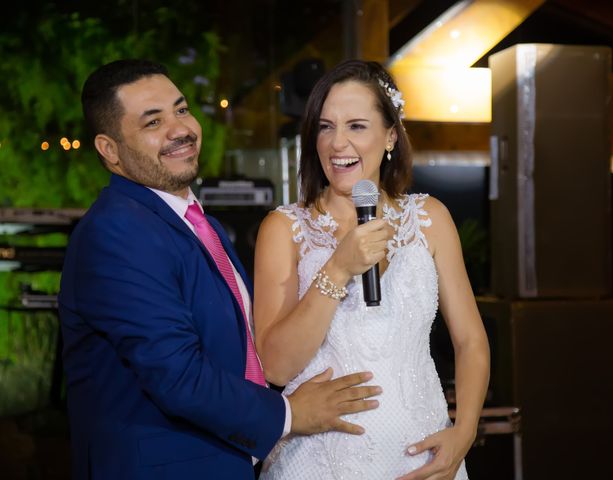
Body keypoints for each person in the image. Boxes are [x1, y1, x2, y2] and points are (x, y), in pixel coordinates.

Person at [57, 59, 383, 480]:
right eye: (153, 122)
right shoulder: (116, 231)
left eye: (181, 109)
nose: (180, 129)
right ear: (110, 150)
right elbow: (177, 374)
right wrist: (290, 414)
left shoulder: (196, 222)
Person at [253, 59, 490, 480]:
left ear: (390, 136)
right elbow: (275, 366)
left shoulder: (430, 218)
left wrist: (463, 433)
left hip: (424, 457)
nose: (337, 143)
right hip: (319, 459)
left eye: (356, 126)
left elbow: (471, 340)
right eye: (325, 127)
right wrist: (338, 269)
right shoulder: (284, 229)